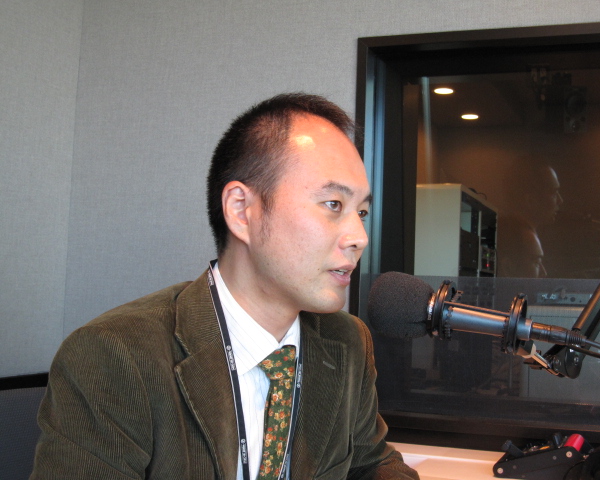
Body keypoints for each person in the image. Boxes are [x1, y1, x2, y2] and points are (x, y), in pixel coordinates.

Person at [30, 93, 419, 479]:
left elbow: (373, 465)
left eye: (361, 212)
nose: (359, 237)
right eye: (333, 204)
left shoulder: (347, 342)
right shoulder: (116, 355)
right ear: (241, 210)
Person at [498, 162, 563, 278]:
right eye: (553, 193)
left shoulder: (527, 237)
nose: (560, 200)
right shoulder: (515, 238)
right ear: (530, 200)